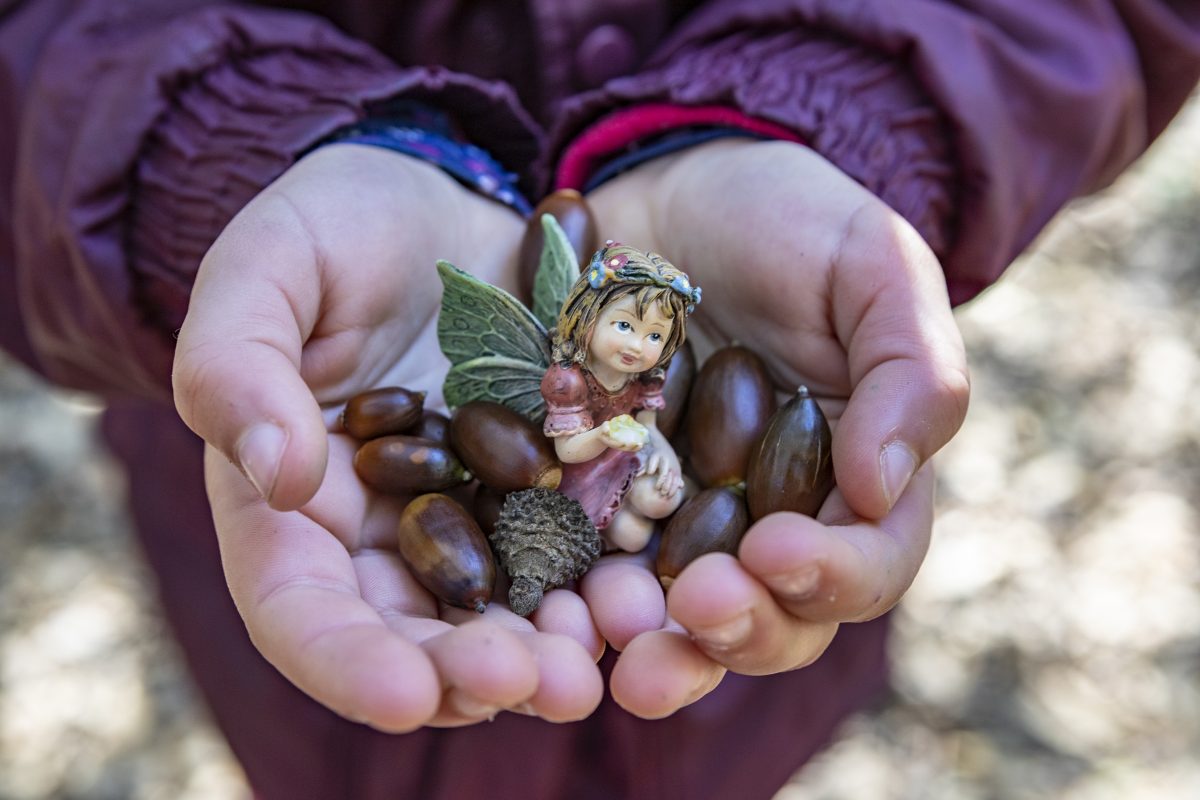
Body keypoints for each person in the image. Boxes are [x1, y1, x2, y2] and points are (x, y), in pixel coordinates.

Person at [1, 2, 1197, 798]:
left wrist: (845, 104)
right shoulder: (552, 390)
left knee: (711, 618)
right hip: (307, 597)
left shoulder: (659, 397)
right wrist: (206, 164)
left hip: (716, 692)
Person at [543, 244, 695, 551]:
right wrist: (604, 435)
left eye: (654, 336)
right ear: (589, 316)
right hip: (584, 469)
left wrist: (666, 457)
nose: (637, 346)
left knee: (660, 499)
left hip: (627, 457)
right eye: (625, 326)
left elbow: (648, 426)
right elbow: (567, 452)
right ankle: (605, 526)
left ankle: (672, 493)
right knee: (634, 538)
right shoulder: (569, 379)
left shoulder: (645, 374)